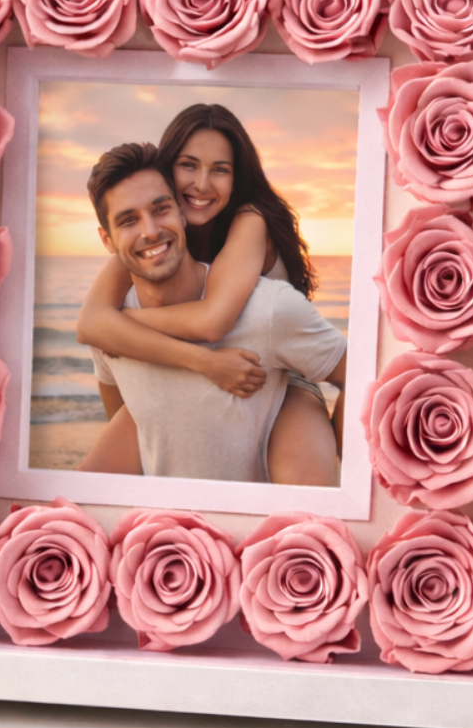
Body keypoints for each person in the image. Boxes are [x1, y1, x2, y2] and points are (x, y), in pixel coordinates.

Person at [76, 103, 342, 485]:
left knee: (306, 492)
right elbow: (91, 323)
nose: (201, 184)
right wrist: (110, 326)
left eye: (220, 169)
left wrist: (123, 322)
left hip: (283, 375)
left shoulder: (249, 220)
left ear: (236, 179)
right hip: (204, 372)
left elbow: (211, 321)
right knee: (86, 493)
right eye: (189, 165)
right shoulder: (154, 235)